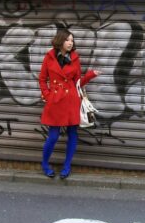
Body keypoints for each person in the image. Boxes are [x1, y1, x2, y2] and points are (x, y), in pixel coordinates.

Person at [38, 29, 101, 179]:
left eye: (72, 40)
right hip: (56, 101)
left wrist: (91, 75)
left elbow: (78, 82)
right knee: (53, 136)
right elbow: (42, 79)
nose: (70, 43)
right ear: (60, 40)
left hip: (72, 100)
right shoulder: (49, 57)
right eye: (68, 40)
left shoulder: (75, 58)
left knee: (73, 133)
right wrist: (48, 95)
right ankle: (45, 164)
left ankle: (67, 166)